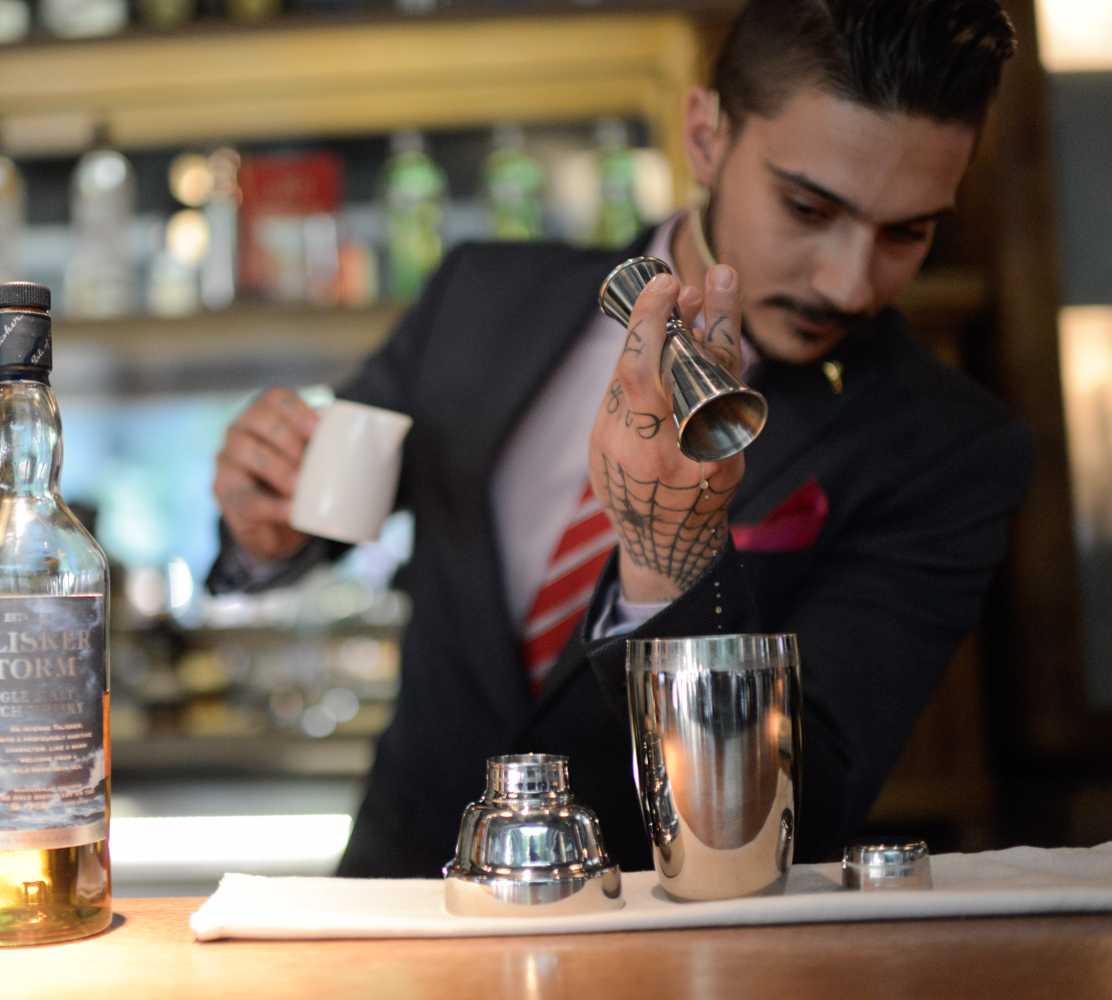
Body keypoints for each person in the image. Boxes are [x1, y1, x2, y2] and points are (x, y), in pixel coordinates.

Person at [209, 0, 1032, 876]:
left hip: (664, 924)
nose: (850, 282)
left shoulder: (950, 448)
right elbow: (318, 504)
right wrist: (264, 520)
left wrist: (672, 569)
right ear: (705, 135)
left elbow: (813, 803)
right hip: (402, 889)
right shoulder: (479, 295)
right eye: (806, 207)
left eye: (907, 231)